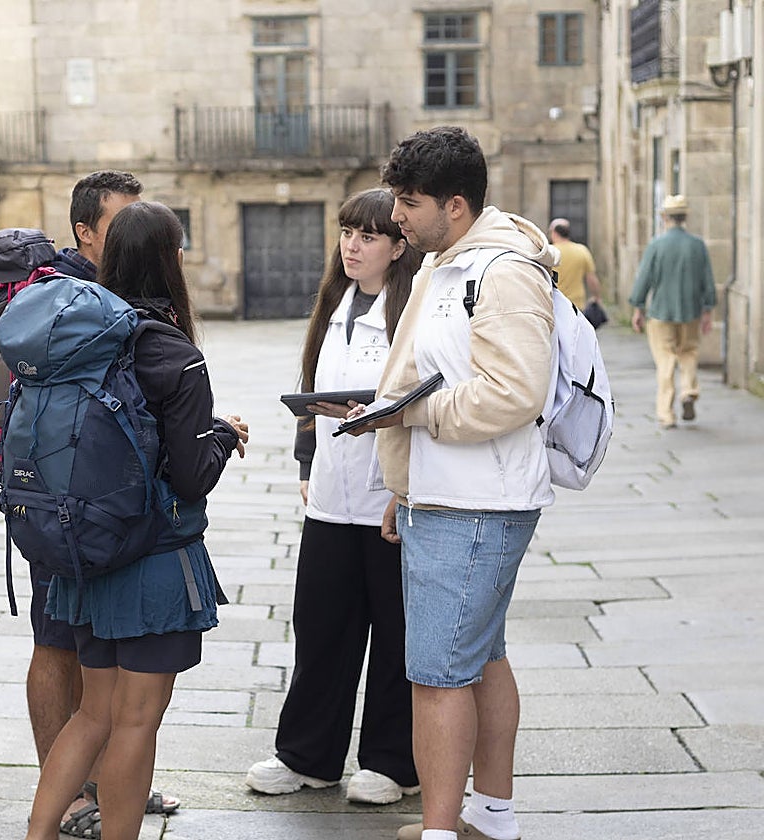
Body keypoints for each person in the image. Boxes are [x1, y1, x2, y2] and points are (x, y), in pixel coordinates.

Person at [344, 126, 557, 840]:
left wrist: (415, 415)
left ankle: (439, 832)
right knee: (482, 659)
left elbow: (516, 392)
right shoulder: (446, 264)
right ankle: (490, 817)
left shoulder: (502, 272)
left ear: (455, 205)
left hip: (479, 503)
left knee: (437, 674)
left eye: (408, 202)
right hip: (447, 497)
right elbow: (414, 374)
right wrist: (402, 484)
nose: (395, 215)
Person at [24, 201, 249, 840]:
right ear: (171, 259)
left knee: (93, 714)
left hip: (85, 549)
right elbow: (189, 475)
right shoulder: (171, 350)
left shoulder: (76, 336)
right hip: (151, 561)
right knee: (136, 722)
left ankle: (38, 834)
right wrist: (221, 437)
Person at [17, 170, 185, 836]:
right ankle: (97, 807)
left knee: (98, 702)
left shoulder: (50, 312)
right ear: (85, 233)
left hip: (59, 514)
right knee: (107, 696)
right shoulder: (101, 316)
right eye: (122, 224)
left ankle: (64, 814)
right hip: (119, 532)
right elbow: (186, 469)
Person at [245, 189, 422, 805]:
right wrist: (305, 459)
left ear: (399, 246)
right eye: (347, 232)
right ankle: (308, 756)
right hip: (329, 499)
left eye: (369, 236)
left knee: (396, 636)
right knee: (321, 630)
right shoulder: (333, 303)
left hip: (388, 499)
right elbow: (310, 391)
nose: (352, 245)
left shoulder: (412, 312)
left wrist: (404, 481)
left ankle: (392, 763)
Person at [628, 194, 717, 429]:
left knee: (665, 359)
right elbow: (707, 280)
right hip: (691, 310)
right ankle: (689, 390)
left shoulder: (656, 245)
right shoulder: (697, 245)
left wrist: (637, 307)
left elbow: (644, 278)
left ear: (665, 217)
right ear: (685, 217)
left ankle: (666, 413)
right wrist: (707, 310)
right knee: (689, 352)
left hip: (660, 312)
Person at [548, 218, 601, 310]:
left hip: (554, 304)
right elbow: (591, 278)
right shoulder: (582, 250)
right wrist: (596, 297)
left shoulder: (549, 253)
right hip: (576, 305)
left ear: (554, 233)